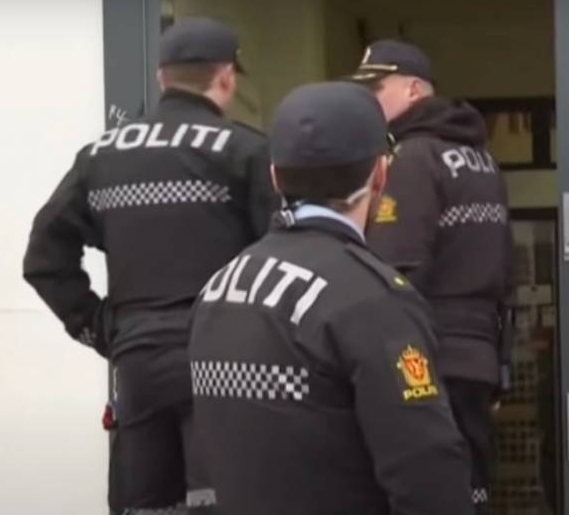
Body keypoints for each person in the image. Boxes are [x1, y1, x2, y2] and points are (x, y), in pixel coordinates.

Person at [22, 17, 275, 514]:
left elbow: (44, 257)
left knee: (144, 503)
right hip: (226, 360)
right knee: (225, 499)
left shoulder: (100, 157)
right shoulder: (246, 151)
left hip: (138, 361)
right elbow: (283, 254)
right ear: (226, 78)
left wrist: (101, 327)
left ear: (162, 78)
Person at [188, 81, 474, 515]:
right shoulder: (371, 300)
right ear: (381, 175)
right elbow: (428, 473)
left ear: (275, 177)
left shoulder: (218, 289)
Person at [349, 39, 513, 513]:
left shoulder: (412, 158)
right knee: (471, 485)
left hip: (429, 355)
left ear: (414, 89)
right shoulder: (482, 161)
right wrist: (500, 365)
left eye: (377, 89)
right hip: (477, 357)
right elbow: (505, 274)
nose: (368, 101)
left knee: (423, 487)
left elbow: (395, 269)